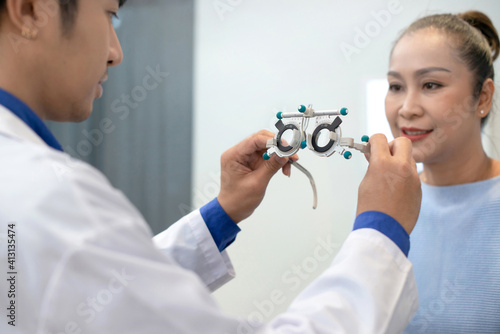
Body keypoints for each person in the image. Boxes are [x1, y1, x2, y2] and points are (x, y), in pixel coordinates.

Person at [0, 0, 421, 333]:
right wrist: (381, 231)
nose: (116, 52)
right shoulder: (50, 198)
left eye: (432, 84)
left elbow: (104, 289)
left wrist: (221, 214)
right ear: (30, 9)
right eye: (110, 15)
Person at [385, 10, 500, 333]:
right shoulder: (386, 204)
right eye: (395, 86)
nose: (407, 107)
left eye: (431, 84)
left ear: (483, 97)